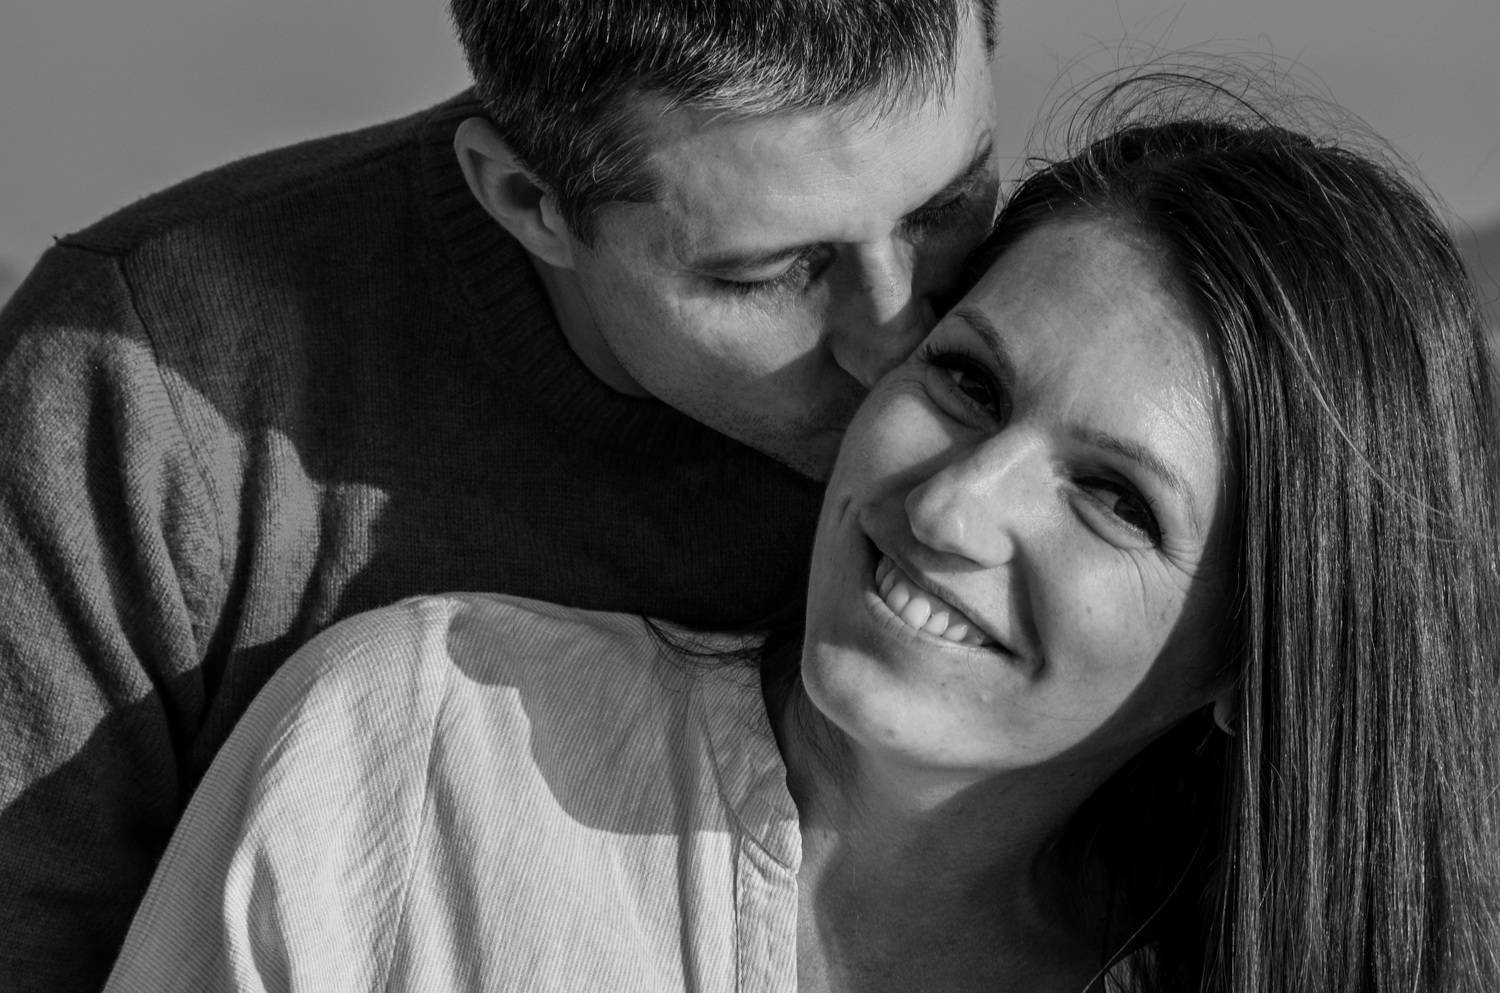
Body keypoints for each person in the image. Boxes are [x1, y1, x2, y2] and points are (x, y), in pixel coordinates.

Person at [99, 76, 1500, 992]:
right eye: (968, 382)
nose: (950, 505)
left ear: (1259, 650)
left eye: (1115, 497)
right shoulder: (415, 746)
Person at [0, 2, 1000, 988]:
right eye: (775, 273)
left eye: (945, 209)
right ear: (526, 199)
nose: (898, 344)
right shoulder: (141, 392)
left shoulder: (1044, 333)